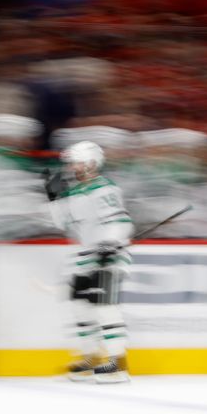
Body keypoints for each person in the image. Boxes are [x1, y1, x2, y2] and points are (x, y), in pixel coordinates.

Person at [45, 140, 133, 383]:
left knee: (105, 308)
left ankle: (117, 364)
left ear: (92, 163)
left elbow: (121, 221)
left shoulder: (105, 189)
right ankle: (90, 359)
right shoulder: (74, 193)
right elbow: (63, 225)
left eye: (78, 162)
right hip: (84, 259)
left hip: (107, 257)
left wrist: (110, 243)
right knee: (81, 308)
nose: (73, 167)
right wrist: (54, 199)